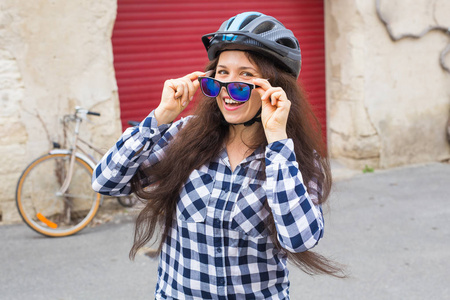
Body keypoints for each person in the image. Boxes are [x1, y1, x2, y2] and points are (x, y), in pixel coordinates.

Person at [92, 11, 343, 300]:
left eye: (245, 76)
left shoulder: (293, 157)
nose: (226, 89)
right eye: (221, 74)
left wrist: (276, 139)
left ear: (274, 89)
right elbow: (105, 182)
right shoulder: (183, 136)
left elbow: (300, 239)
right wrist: (161, 117)